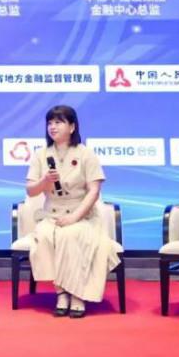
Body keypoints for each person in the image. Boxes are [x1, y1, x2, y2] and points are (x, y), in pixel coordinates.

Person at [26, 105, 120, 318]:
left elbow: (94, 191)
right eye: (50, 123)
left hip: (82, 216)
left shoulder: (86, 154)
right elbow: (31, 191)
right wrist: (44, 181)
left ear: (72, 127)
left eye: (58, 122)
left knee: (70, 235)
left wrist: (74, 217)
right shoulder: (41, 155)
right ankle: (61, 293)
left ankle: (77, 295)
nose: (53, 127)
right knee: (44, 236)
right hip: (51, 215)